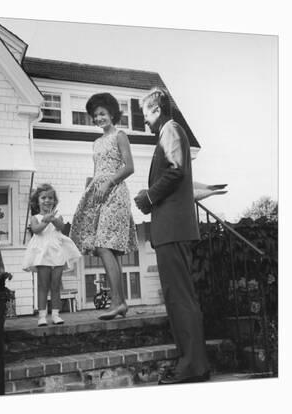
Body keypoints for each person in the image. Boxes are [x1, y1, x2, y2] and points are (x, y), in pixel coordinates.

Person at [134, 87, 210, 385]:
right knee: (177, 298)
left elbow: (176, 171)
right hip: (170, 230)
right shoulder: (168, 133)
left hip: (173, 230)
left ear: (158, 109)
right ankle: (191, 363)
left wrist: (149, 197)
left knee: (180, 298)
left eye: (146, 115)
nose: (145, 122)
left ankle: (193, 366)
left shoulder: (171, 131)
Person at [70, 93, 138, 320]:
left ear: (111, 114)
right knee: (107, 248)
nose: (99, 118)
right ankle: (121, 303)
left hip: (116, 193)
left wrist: (109, 181)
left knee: (104, 246)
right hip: (98, 195)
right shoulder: (96, 142)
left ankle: (117, 303)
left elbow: (129, 167)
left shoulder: (120, 135)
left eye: (102, 113)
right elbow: (97, 170)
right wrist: (89, 186)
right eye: (95, 115)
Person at [23, 183, 81, 326]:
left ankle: (55, 314)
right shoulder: (35, 217)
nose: (47, 200)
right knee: (43, 285)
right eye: (43, 198)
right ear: (37, 200)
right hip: (43, 255)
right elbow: (36, 230)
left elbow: (61, 227)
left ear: (54, 201)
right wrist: (45, 220)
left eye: (50, 198)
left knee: (56, 285)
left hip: (57, 253)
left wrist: (53, 219)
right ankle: (42, 316)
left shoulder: (58, 216)